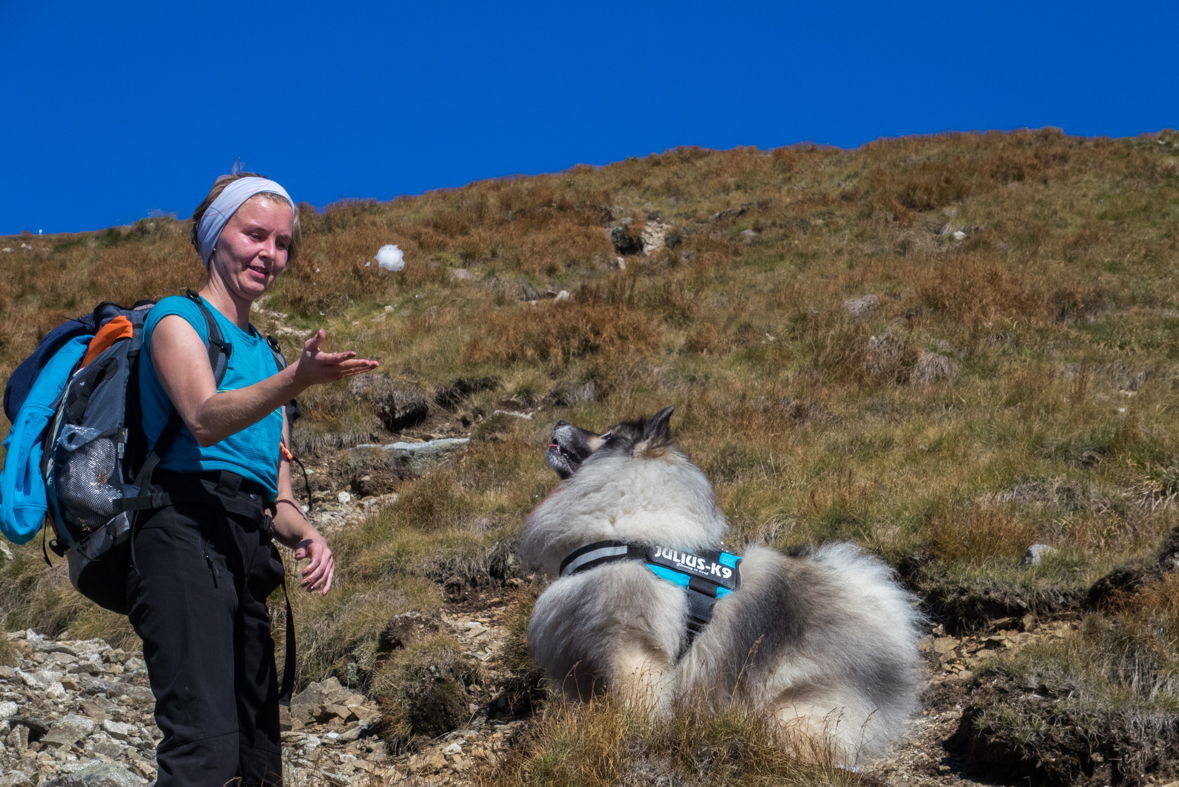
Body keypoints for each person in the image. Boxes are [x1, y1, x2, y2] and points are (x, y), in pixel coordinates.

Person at [127, 173, 378, 786]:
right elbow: (205, 419)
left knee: (259, 759)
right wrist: (294, 381)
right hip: (179, 533)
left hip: (245, 549)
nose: (271, 254)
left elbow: (278, 497)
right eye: (254, 235)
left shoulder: (266, 355)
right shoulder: (176, 320)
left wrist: (309, 537)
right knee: (204, 747)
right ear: (216, 237)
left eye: (283, 243)